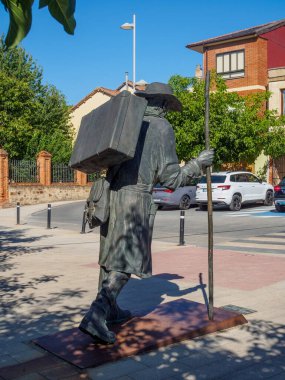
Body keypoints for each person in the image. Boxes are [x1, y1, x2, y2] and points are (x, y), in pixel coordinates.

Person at [79, 82, 214, 344]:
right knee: (125, 261)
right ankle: (96, 315)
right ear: (163, 104)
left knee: (110, 257)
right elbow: (171, 177)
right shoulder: (162, 128)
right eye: (166, 106)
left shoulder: (130, 125)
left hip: (113, 196)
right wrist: (199, 163)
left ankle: (112, 309)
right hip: (135, 200)